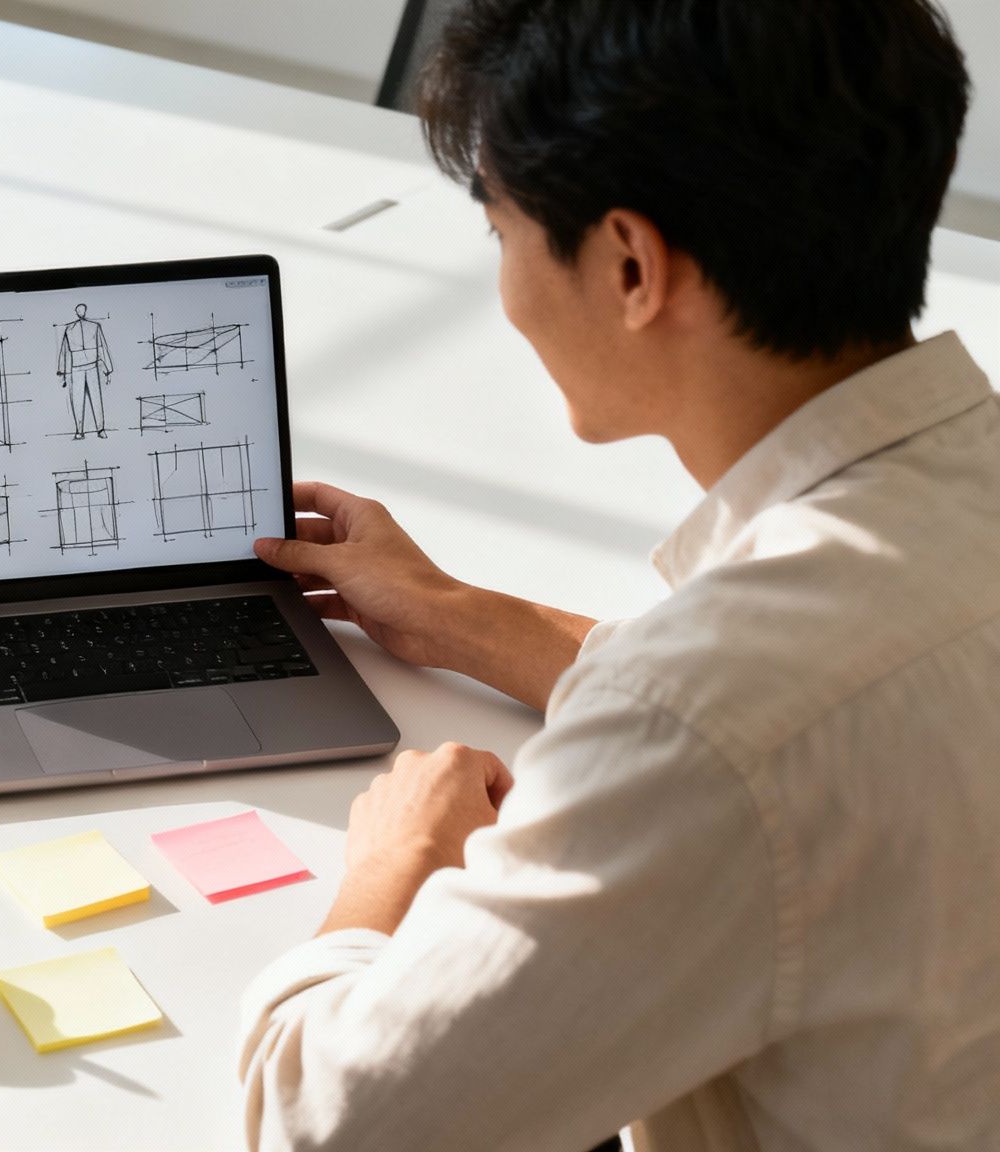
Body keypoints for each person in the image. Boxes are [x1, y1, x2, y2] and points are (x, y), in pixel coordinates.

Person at [238, 2, 997, 1150]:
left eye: (499, 230)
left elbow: (326, 1126)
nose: (501, 283)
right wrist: (460, 619)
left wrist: (395, 864)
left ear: (631, 265)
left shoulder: (706, 717)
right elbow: (821, 715)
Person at [56, 302, 111, 439]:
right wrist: (62, 372)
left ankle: (98, 429)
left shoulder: (94, 327)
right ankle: (81, 431)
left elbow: (102, 347)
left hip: (90, 367)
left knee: (95, 399)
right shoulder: (69, 329)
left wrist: (107, 369)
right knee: (78, 400)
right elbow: (64, 352)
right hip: (78, 369)